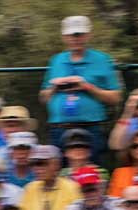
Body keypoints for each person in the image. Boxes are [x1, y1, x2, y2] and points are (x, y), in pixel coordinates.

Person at [39, 15, 122, 155]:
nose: (75, 38)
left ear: (88, 35)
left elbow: (116, 98)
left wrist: (87, 87)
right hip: (59, 129)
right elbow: (43, 98)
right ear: (64, 37)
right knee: (59, 172)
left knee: (93, 171)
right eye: (71, 35)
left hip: (90, 128)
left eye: (79, 34)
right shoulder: (56, 60)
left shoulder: (102, 59)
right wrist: (55, 87)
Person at [20, 145, 81, 210]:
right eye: (34, 164)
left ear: (56, 165)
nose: (37, 169)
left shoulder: (72, 188)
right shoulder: (29, 189)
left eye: (42, 164)